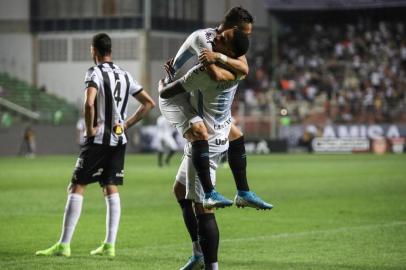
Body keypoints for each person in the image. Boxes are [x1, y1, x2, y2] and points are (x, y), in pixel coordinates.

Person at [36, 33, 155, 258]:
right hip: (119, 140)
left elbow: (89, 103)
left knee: (76, 186)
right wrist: (126, 124)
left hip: (99, 139)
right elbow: (149, 103)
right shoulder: (125, 75)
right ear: (110, 50)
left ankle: (64, 244)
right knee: (110, 186)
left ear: (94, 51)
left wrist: (90, 130)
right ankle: (109, 245)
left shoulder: (95, 72)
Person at [160, 28, 253, 270]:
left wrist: (164, 85)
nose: (217, 37)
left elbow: (169, 92)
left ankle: (210, 266)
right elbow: (241, 68)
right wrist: (217, 57)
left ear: (230, 51)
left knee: (203, 206)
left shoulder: (207, 72)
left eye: (223, 38)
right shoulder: (238, 69)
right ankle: (198, 254)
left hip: (205, 141)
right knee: (180, 190)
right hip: (218, 133)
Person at [162, 6, 272, 211]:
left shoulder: (228, 43)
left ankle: (243, 192)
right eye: (246, 32)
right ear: (233, 28)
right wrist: (170, 76)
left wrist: (220, 59)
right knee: (202, 135)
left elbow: (244, 69)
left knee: (236, 135)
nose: (248, 38)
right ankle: (210, 193)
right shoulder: (208, 39)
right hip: (196, 102)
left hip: (216, 108)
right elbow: (217, 75)